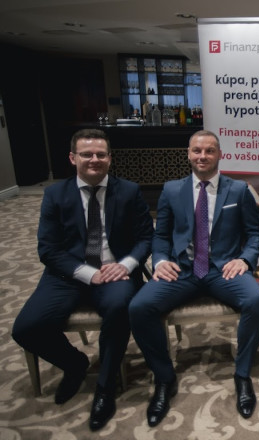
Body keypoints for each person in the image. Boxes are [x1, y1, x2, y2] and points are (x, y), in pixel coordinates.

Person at [12, 129, 153, 432]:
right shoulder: (55, 195)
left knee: (119, 308)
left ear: (110, 158)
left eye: (101, 154)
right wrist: (88, 273)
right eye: (87, 154)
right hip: (68, 275)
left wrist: (125, 265)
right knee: (26, 328)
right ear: (72, 158)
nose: (94, 159)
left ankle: (105, 386)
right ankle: (74, 364)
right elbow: (48, 249)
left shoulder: (129, 191)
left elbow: (146, 238)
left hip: (115, 272)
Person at [129, 130, 259, 427]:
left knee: (256, 300)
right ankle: (164, 378)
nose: (202, 156)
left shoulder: (238, 190)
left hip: (223, 269)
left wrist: (244, 260)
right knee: (139, 307)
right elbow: (161, 235)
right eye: (197, 150)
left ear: (220, 155)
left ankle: (242, 375)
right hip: (182, 269)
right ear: (188, 154)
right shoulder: (171, 190)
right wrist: (161, 261)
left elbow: (255, 234)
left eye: (209, 150)